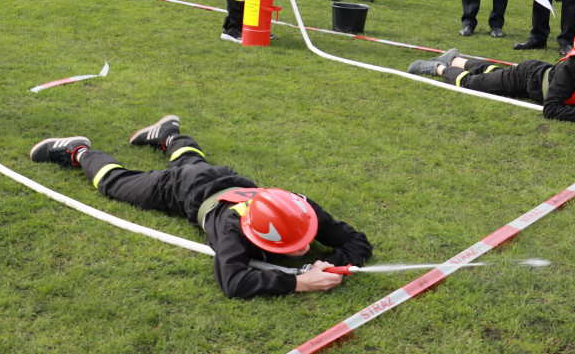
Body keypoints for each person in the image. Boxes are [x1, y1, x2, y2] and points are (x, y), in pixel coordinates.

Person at [28, 114, 373, 298]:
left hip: (224, 178)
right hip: (180, 191)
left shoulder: (300, 209)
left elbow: (357, 241)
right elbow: (234, 282)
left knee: (192, 162)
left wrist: (328, 264)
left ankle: (168, 133)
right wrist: (299, 283)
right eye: (296, 247)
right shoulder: (231, 228)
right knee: (114, 183)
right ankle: (78, 151)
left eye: (305, 241)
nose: (308, 248)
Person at [408, 23, 575, 123]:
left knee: (492, 73)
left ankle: (455, 58)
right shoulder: (569, 70)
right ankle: (438, 67)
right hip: (526, 79)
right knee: (475, 84)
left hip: (535, 74)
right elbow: (551, 109)